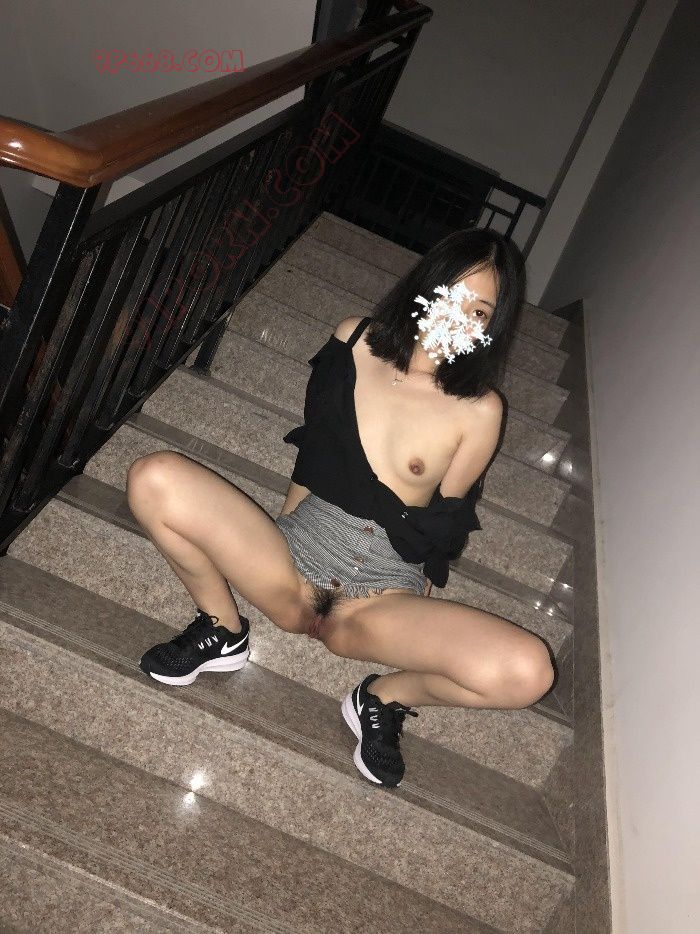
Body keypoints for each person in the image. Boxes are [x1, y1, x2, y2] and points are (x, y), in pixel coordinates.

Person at [130, 227, 555, 788]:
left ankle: (383, 697)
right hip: (297, 559)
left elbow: (446, 517)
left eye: (478, 311)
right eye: (452, 295)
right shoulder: (355, 340)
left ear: (489, 329)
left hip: (380, 599)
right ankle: (221, 628)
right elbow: (314, 451)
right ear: (425, 286)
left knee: (530, 671)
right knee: (154, 478)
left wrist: (419, 621)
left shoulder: (480, 410)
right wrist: (278, 540)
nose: (458, 318)